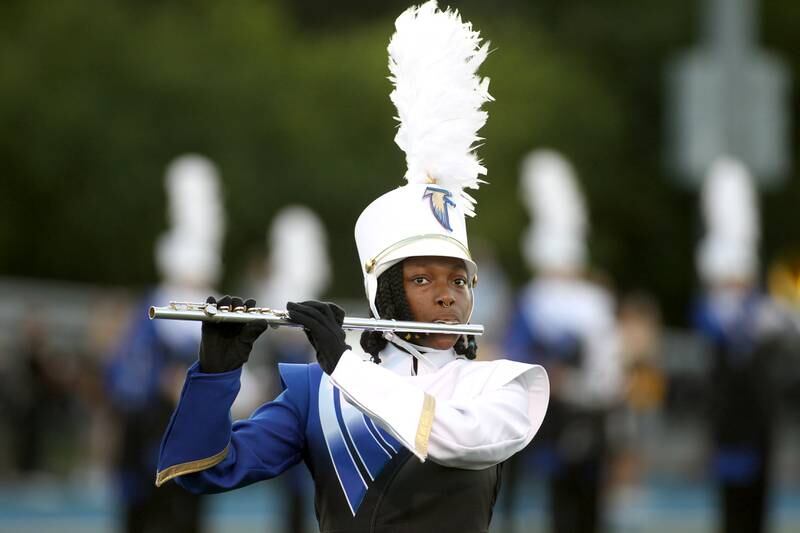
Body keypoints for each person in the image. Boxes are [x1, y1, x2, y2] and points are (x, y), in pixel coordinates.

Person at [154, 3, 549, 532]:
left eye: (459, 280)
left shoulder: (500, 387)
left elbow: (450, 435)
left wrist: (344, 364)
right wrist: (217, 372)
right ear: (384, 294)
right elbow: (199, 474)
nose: (448, 295)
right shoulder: (316, 393)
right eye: (422, 279)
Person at [502, 150, 622, 533]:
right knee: (558, 500)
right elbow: (516, 351)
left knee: (590, 502)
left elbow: (609, 358)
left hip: (593, 410)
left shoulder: (594, 301)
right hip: (551, 411)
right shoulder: (533, 301)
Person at [106, 154, 224, 533]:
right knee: (145, 514)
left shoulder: (212, 309)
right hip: (149, 437)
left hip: (192, 438)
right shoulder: (153, 311)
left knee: (188, 515)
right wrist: (161, 383)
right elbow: (125, 375)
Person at [692, 156, 781, 533]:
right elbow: (718, 337)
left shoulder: (766, 312)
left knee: (757, 505)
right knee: (731, 507)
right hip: (728, 421)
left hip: (759, 421)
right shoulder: (712, 313)